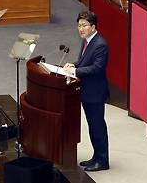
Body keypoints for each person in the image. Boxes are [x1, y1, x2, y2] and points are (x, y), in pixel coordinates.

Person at [63, 11, 110, 172]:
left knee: (97, 126)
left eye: (84, 25)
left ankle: (102, 160)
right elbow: (85, 62)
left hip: (95, 93)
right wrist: (74, 65)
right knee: (92, 125)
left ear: (93, 27)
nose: (81, 29)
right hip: (87, 92)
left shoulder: (100, 44)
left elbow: (97, 68)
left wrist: (75, 72)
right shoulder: (88, 42)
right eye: (79, 25)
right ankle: (96, 157)